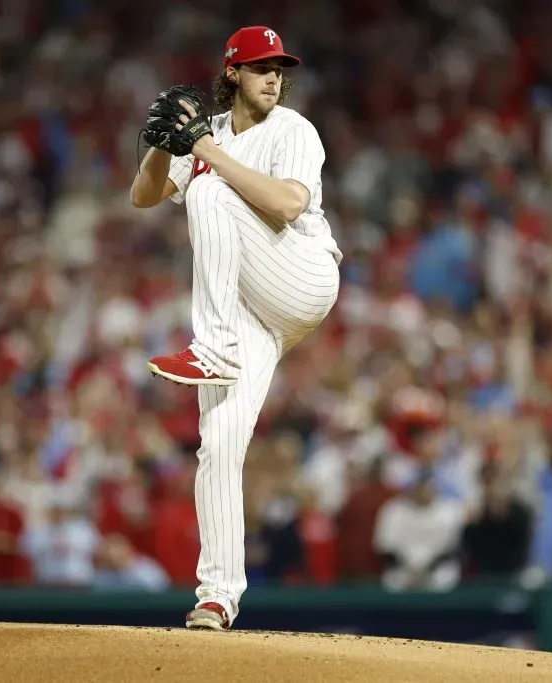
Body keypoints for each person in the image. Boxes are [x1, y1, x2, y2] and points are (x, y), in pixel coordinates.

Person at [129, 25, 341, 630]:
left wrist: (205, 153)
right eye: (259, 67)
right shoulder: (212, 134)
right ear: (232, 74)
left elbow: (286, 206)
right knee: (219, 444)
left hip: (299, 276)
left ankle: (213, 347)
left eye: (278, 67)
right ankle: (217, 596)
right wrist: (160, 145)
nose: (273, 76)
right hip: (250, 309)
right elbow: (143, 196)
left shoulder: (293, 129)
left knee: (210, 194)